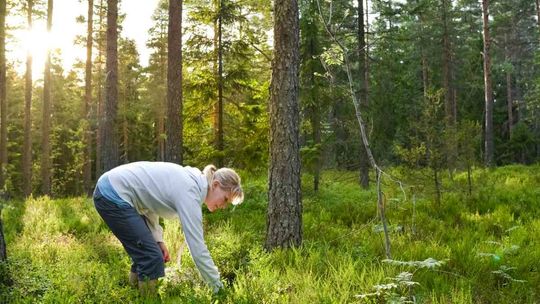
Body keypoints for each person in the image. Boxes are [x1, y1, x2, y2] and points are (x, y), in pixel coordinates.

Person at [92, 161, 244, 296]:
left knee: (149, 252)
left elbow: (149, 203)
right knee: (151, 257)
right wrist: (218, 289)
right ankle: (146, 300)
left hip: (113, 189)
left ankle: (133, 295)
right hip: (112, 193)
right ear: (215, 185)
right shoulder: (190, 191)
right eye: (225, 199)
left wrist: (158, 240)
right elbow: (198, 249)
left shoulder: (192, 182)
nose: (224, 206)